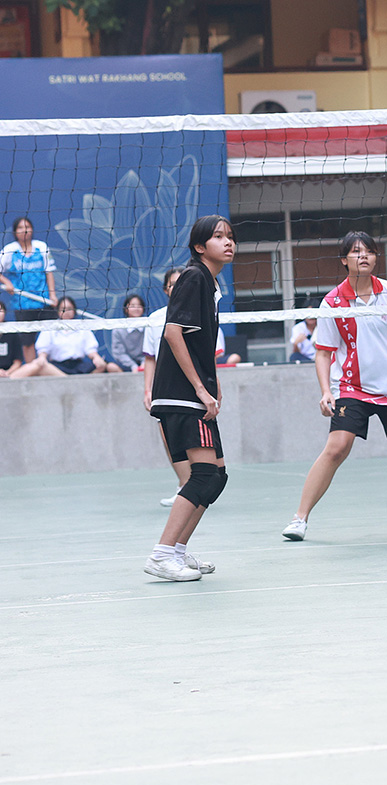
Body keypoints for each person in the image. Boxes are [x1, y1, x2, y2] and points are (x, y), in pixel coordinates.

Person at [283, 231, 387, 541]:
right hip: (352, 388)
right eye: (356, 252)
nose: (363, 256)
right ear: (344, 260)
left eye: (369, 250)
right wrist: (326, 391)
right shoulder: (333, 301)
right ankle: (299, 519)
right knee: (336, 448)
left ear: (376, 257)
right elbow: (323, 353)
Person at [142, 215, 235, 582]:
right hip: (181, 395)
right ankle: (161, 554)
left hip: (194, 393)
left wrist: (213, 382)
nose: (228, 242)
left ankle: (177, 552)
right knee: (204, 474)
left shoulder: (209, 283)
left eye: (230, 236)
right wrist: (198, 387)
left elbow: (199, 344)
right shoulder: (194, 277)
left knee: (217, 477)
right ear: (199, 246)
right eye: (218, 236)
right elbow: (172, 333)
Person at [144, 269, 191, 507]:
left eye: (181, 283)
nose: (177, 287)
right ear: (165, 290)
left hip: (191, 386)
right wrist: (147, 390)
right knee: (168, 435)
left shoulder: (199, 314)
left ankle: (197, 486)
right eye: (172, 284)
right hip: (164, 387)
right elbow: (149, 358)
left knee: (193, 437)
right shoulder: (154, 319)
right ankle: (184, 485)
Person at [0, 216, 57, 364]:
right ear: (15, 232)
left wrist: (52, 295)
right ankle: (32, 369)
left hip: (44, 301)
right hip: (22, 303)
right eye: (20, 227)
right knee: (27, 340)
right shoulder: (10, 250)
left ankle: (49, 368)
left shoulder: (41, 247)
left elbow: (49, 272)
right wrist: (7, 282)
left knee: (50, 335)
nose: (24, 230)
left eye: (27, 227)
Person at [30, 297, 121, 375]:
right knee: (38, 367)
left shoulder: (82, 327)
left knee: (106, 366)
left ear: (74, 310)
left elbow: (90, 349)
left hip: (78, 366)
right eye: (63, 309)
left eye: (69, 309)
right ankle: (70, 381)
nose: (66, 312)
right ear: (58, 311)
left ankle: (73, 382)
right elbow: (43, 349)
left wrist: (96, 357)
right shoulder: (50, 327)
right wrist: (42, 358)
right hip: (57, 367)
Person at [111, 294, 147, 372]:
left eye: (139, 305)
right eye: (133, 306)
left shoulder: (148, 328)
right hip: (126, 364)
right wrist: (133, 366)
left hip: (147, 362)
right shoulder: (118, 330)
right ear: (126, 309)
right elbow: (119, 353)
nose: (136, 308)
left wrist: (144, 363)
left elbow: (151, 350)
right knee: (111, 367)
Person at [0, 302, 25, 377]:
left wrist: (7, 373)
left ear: (5, 312)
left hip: (11, 374)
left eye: (0, 310)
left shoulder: (12, 332)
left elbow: (18, 361)